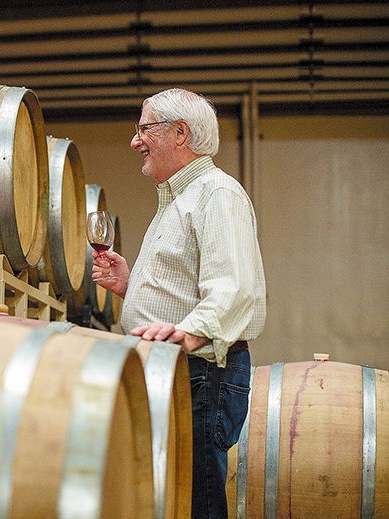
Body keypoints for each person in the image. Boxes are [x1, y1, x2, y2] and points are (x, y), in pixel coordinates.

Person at [92, 88, 266, 518]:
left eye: (144, 129)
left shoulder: (216, 193)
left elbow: (234, 288)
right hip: (178, 371)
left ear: (180, 133)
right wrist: (130, 286)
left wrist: (188, 333)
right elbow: (186, 286)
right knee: (173, 499)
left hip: (202, 374)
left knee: (196, 502)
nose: (134, 141)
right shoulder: (177, 199)